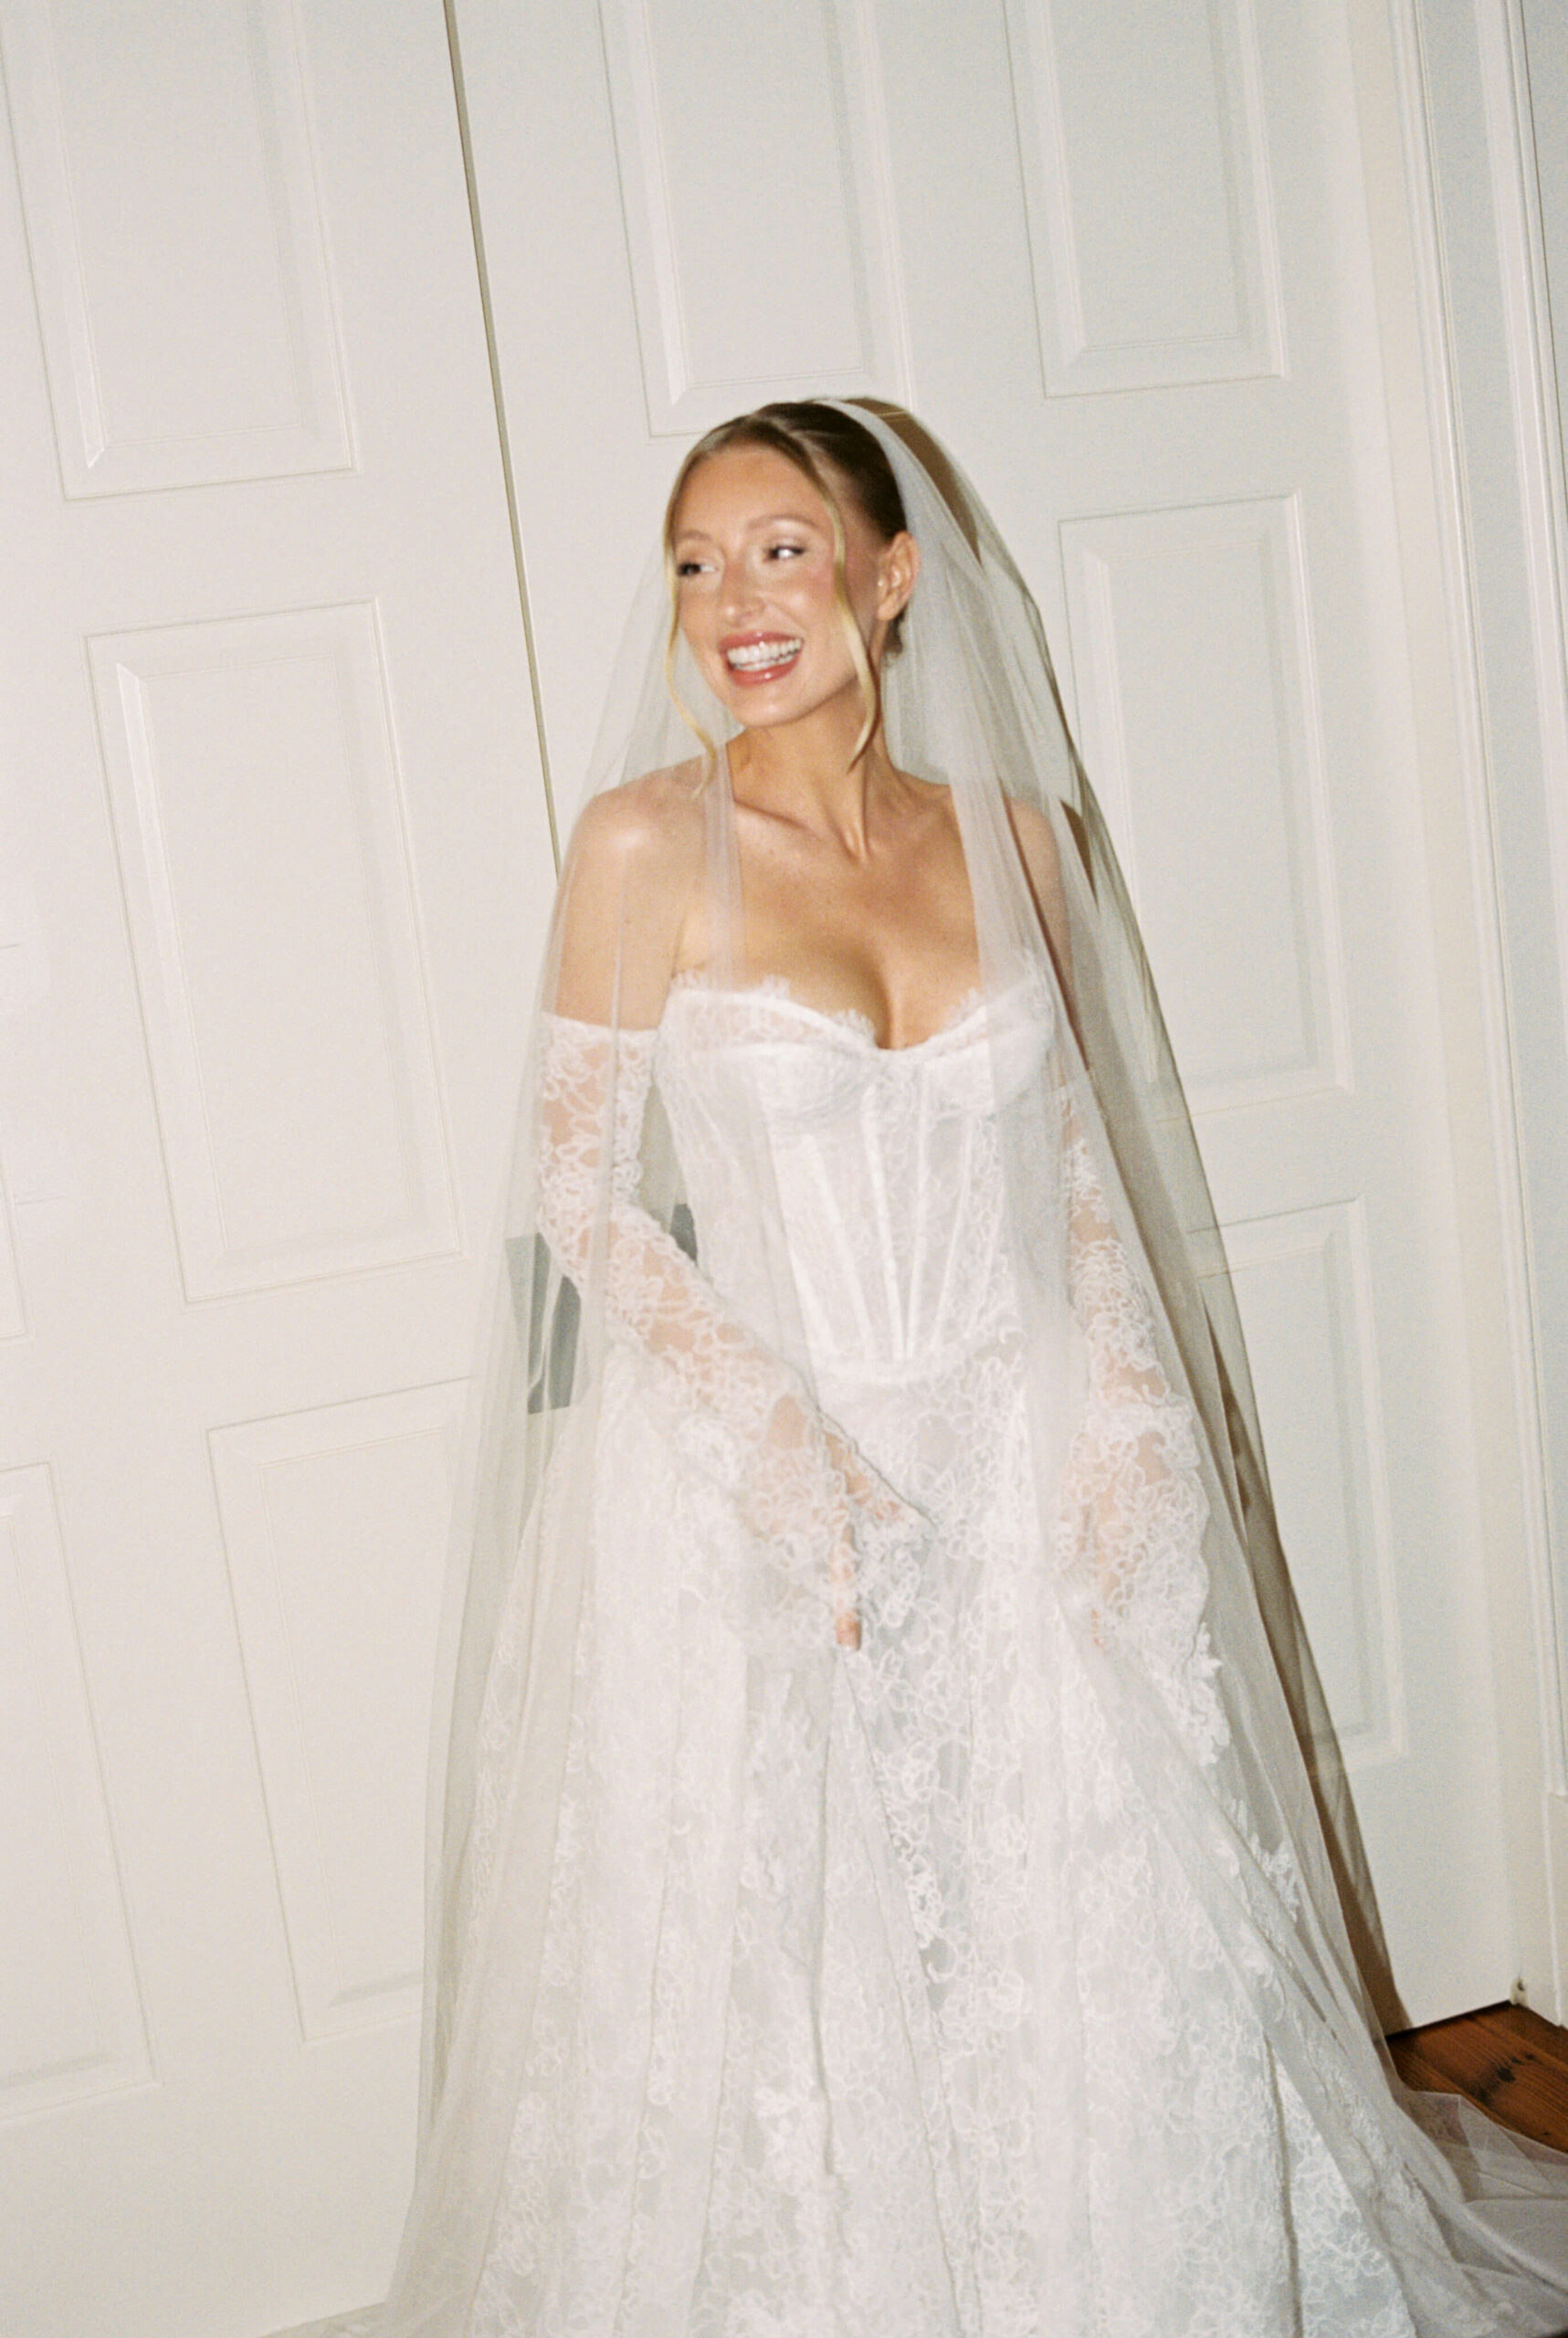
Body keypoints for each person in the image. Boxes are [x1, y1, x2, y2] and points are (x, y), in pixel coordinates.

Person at [365, 403, 1568, 2336]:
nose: (732, 600)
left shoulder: (1016, 839)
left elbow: (1074, 1166)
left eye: (777, 547)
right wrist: (785, 1446)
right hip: (755, 1469)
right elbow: (577, 1203)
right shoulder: (641, 844)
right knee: (803, 1951)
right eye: (693, 560)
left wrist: (1122, 1415)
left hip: (1012, 1455)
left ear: (887, 572)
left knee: (1057, 1913)